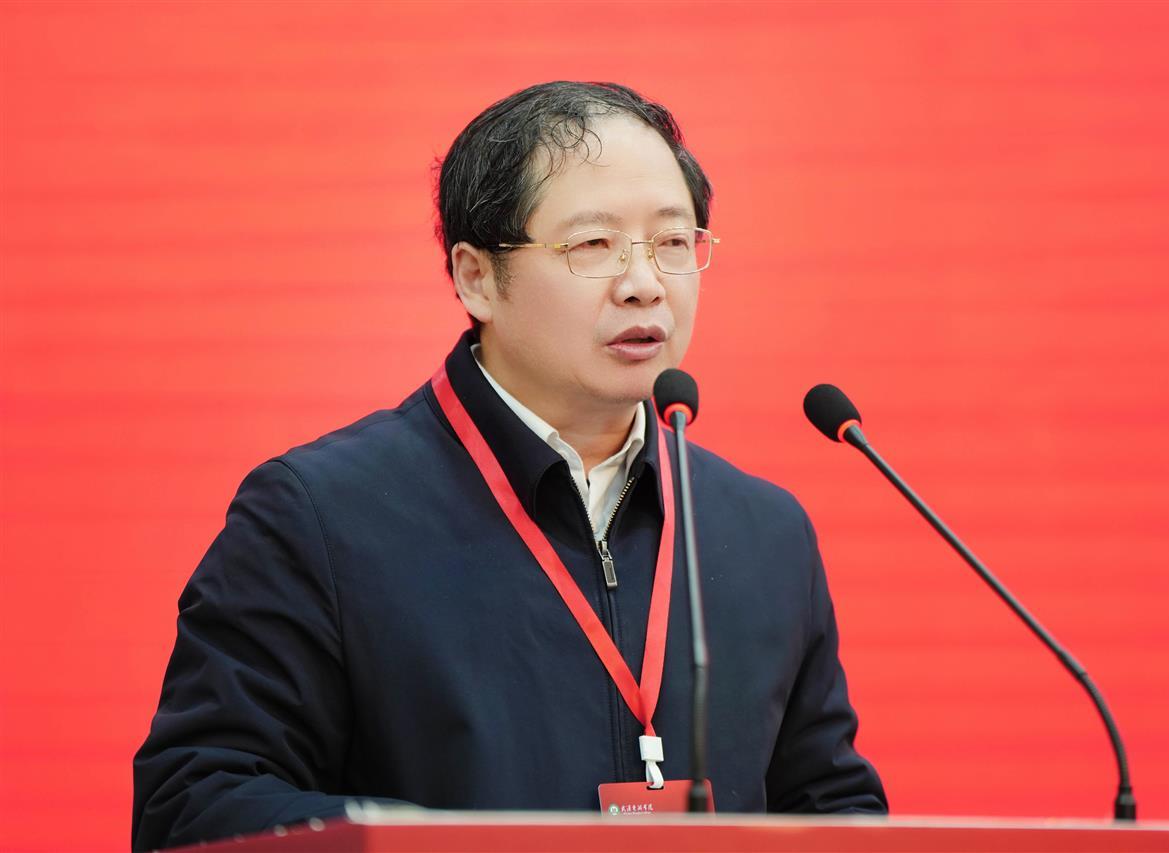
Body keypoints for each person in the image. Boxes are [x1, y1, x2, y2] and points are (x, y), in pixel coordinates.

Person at [132, 81, 886, 851]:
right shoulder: (319, 517)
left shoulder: (763, 532)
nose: (644, 284)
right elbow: (196, 802)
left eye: (671, 241)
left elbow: (832, 808)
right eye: (593, 245)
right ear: (477, 278)